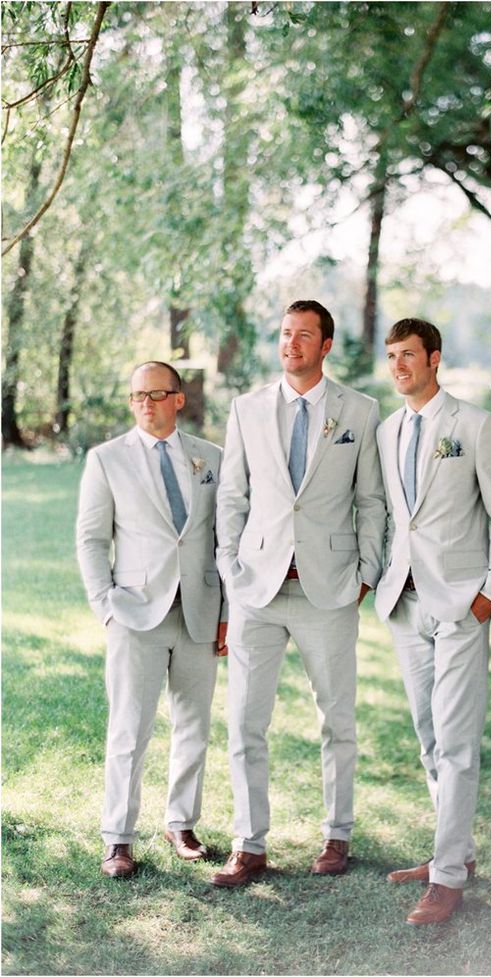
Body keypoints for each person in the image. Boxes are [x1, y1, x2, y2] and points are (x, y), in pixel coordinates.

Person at [212, 299, 385, 887]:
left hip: (329, 589)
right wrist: (231, 569)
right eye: (286, 334)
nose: (292, 344)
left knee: (337, 719)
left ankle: (337, 836)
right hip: (257, 589)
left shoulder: (359, 411)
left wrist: (366, 570)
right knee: (244, 722)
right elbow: (231, 496)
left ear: (325, 345)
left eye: (304, 335)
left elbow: (371, 501)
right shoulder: (247, 409)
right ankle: (249, 843)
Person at [374, 318, 491, 925]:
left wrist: (490, 594)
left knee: (456, 741)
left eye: (409, 355)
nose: (399, 365)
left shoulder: (475, 426)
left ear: (435, 358)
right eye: (392, 356)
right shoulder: (385, 431)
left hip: (461, 604)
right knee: (429, 737)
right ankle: (453, 852)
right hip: (405, 602)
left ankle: (448, 877)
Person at [76, 361, 227, 878]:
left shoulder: (211, 458)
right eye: (137, 395)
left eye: (157, 394)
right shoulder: (106, 459)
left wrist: (225, 612)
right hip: (135, 613)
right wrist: (106, 606)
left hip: (199, 611)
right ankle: (118, 838)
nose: (146, 403)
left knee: (194, 726)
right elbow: (92, 540)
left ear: (178, 400)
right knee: (129, 729)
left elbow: (221, 541)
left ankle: (181, 823)